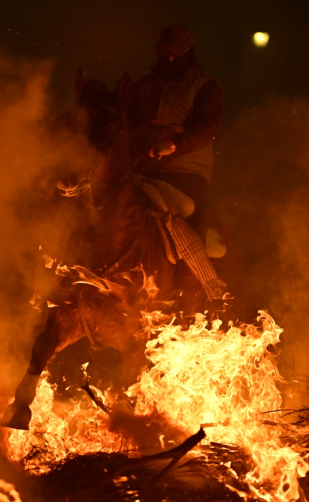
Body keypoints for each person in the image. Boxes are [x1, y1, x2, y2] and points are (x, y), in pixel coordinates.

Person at [128, 25, 224, 307]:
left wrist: (173, 145)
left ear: (187, 53)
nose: (169, 58)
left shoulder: (205, 86)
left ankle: (196, 288)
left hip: (186, 170)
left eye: (175, 53)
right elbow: (126, 120)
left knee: (193, 219)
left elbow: (209, 127)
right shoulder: (142, 86)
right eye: (165, 52)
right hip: (143, 168)